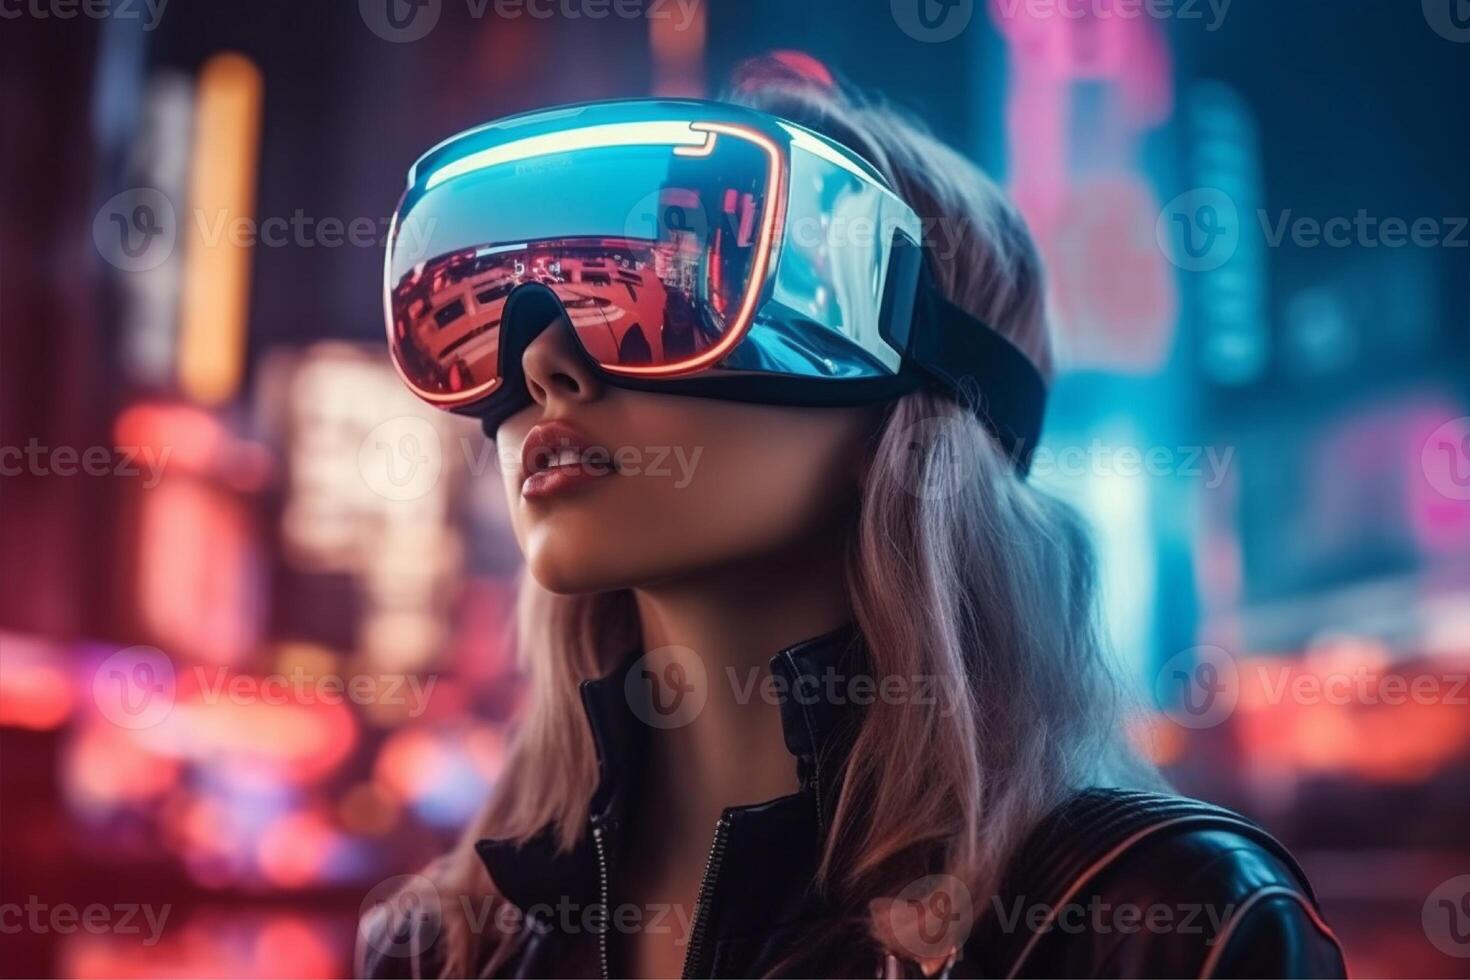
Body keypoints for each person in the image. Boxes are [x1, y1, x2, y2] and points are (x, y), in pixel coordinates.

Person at [361, 54, 1346, 979]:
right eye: (490, 320)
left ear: (917, 397)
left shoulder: (1166, 923)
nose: (543, 367)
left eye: (676, 303)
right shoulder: (453, 942)